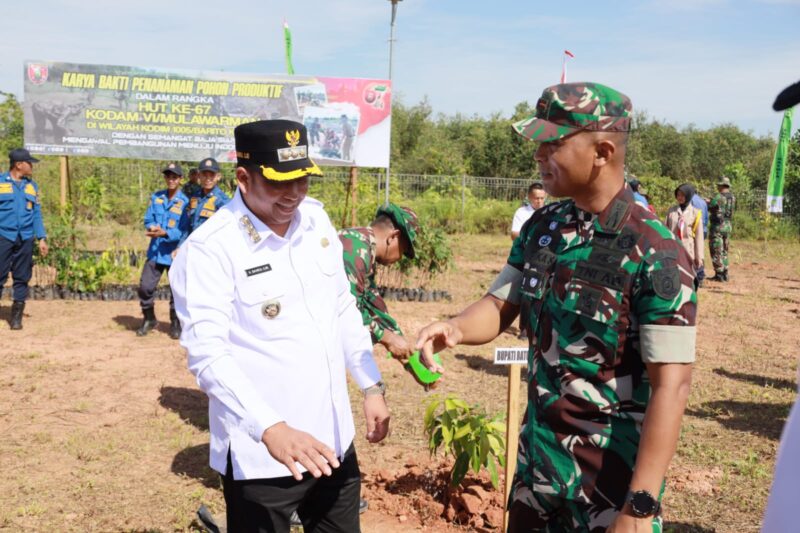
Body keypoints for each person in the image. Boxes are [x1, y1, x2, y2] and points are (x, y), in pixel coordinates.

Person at [416, 82, 697, 532]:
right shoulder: (544, 226)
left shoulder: (655, 251)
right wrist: (454, 327)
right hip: (536, 471)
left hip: (608, 486)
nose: (538, 156)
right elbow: (500, 302)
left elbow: (673, 386)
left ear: (602, 151)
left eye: (553, 144)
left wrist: (639, 507)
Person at [169, 119, 389, 533]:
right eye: (278, 183)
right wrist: (271, 427)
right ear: (243, 178)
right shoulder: (211, 250)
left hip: (333, 440)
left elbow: (341, 306)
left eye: (303, 180)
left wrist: (370, 385)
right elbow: (208, 356)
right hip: (264, 455)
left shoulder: (316, 223)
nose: (294, 195)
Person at [339, 203, 419, 360]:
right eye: (402, 251)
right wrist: (387, 338)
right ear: (393, 237)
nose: (400, 258)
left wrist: (406, 351)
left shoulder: (366, 248)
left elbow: (372, 302)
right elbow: (349, 310)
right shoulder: (355, 250)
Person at [136, 163, 189, 339]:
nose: (171, 180)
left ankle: (175, 323)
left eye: (174, 177)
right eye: (168, 176)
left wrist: (165, 233)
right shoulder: (156, 197)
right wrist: (152, 226)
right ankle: (149, 319)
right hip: (156, 251)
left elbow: (185, 230)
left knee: (176, 290)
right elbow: (148, 217)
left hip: (174, 253)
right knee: (145, 287)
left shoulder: (185, 202)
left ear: (180, 179)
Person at [0, 148, 48, 329]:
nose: (32, 166)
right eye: (29, 163)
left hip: (25, 238)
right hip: (3, 236)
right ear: (19, 165)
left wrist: (41, 238)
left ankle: (16, 317)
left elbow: (36, 214)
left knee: (22, 277)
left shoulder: (31, 186)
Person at [665, 184, 704, 289]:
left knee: (687, 277)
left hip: (688, 251)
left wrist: (698, 257)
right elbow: (665, 230)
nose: (680, 197)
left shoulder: (695, 213)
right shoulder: (671, 211)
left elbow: (699, 238)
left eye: (683, 195)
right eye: (678, 195)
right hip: (672, 249)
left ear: (688, 195)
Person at [187, 157, 231, 234]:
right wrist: (181, 245)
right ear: (199, 176)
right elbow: (187, 226)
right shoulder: (194, 197)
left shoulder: (223, 201)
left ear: (218, 177)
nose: (208, 179)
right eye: (204, 175)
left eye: (212, 175)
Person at [708, 176, 736, 282]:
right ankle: (725, 272)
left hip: (718, 226)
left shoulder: (719, 197)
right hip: (728, 225)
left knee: (716, 249)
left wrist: (708, 201)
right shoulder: (732, 197)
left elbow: (711, 206)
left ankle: (719, 274)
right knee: (725, 250)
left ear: (721, 185)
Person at [689, 184, 709, 286]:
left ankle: (696, 275)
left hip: (694, 229)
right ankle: (701, 274)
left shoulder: (690, 201)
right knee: (700, 251)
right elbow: (706, 217)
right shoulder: (703, 201)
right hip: (703, 229)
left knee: (693, 252)